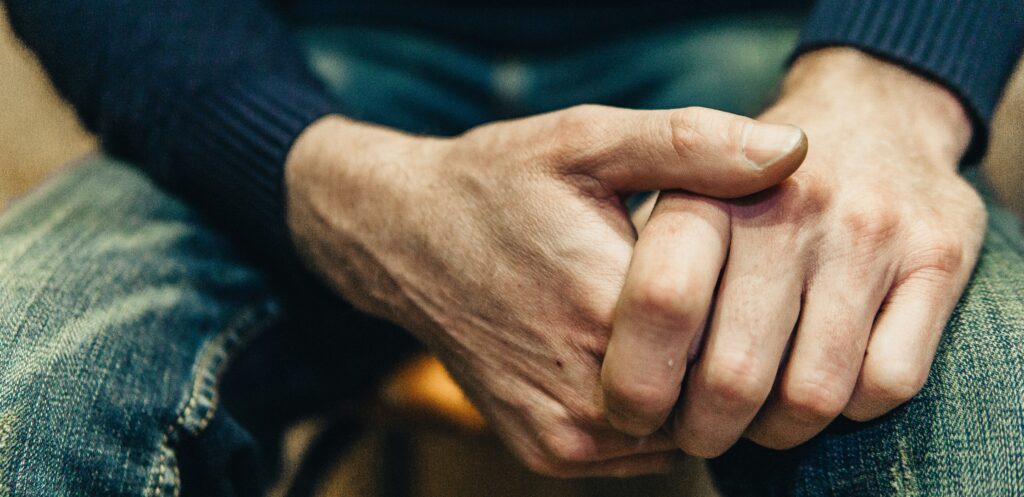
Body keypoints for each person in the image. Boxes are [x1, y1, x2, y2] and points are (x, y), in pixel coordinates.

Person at [2, 0, 1023, 495]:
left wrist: (891, 80)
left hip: (770, 47)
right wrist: (304, 166)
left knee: (983, 416)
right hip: (289, 67)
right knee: (24, 397)